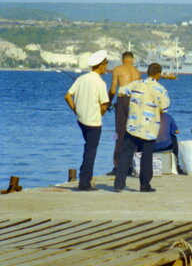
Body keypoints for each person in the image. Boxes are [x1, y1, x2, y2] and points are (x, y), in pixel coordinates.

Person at [114, 63, 170, 192]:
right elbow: (165, 108)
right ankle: (144, 185)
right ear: (158, 74)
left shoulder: (136, 84)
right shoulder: (161, 89)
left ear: (147, 72)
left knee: (125, 155)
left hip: (133, 126)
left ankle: (118, 184)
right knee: (147, 157)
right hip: (149, 129)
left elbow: (122, 91)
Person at [64, 49, 110, 191]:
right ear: (101, 65)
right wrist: (100, 114)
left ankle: (84, 177)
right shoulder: (100, 83)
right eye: (106, 64)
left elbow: (67, 96)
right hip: (94, 122)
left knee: (87, 149)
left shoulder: (81, 79)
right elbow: (104, 104)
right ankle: (85, 183)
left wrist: (75, 110)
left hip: (81, 119)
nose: (106, 68)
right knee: (91, 152)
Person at [107, 51, 142, 174]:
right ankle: (133, 164)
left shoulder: (117, 69)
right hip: (136, 102)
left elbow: (112, 89)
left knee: (119, 132)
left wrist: (108, 102)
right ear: (133, 60)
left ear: (122, 59)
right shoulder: (137, 72)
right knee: (134, 132)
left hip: (122, 101)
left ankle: (117, 166)